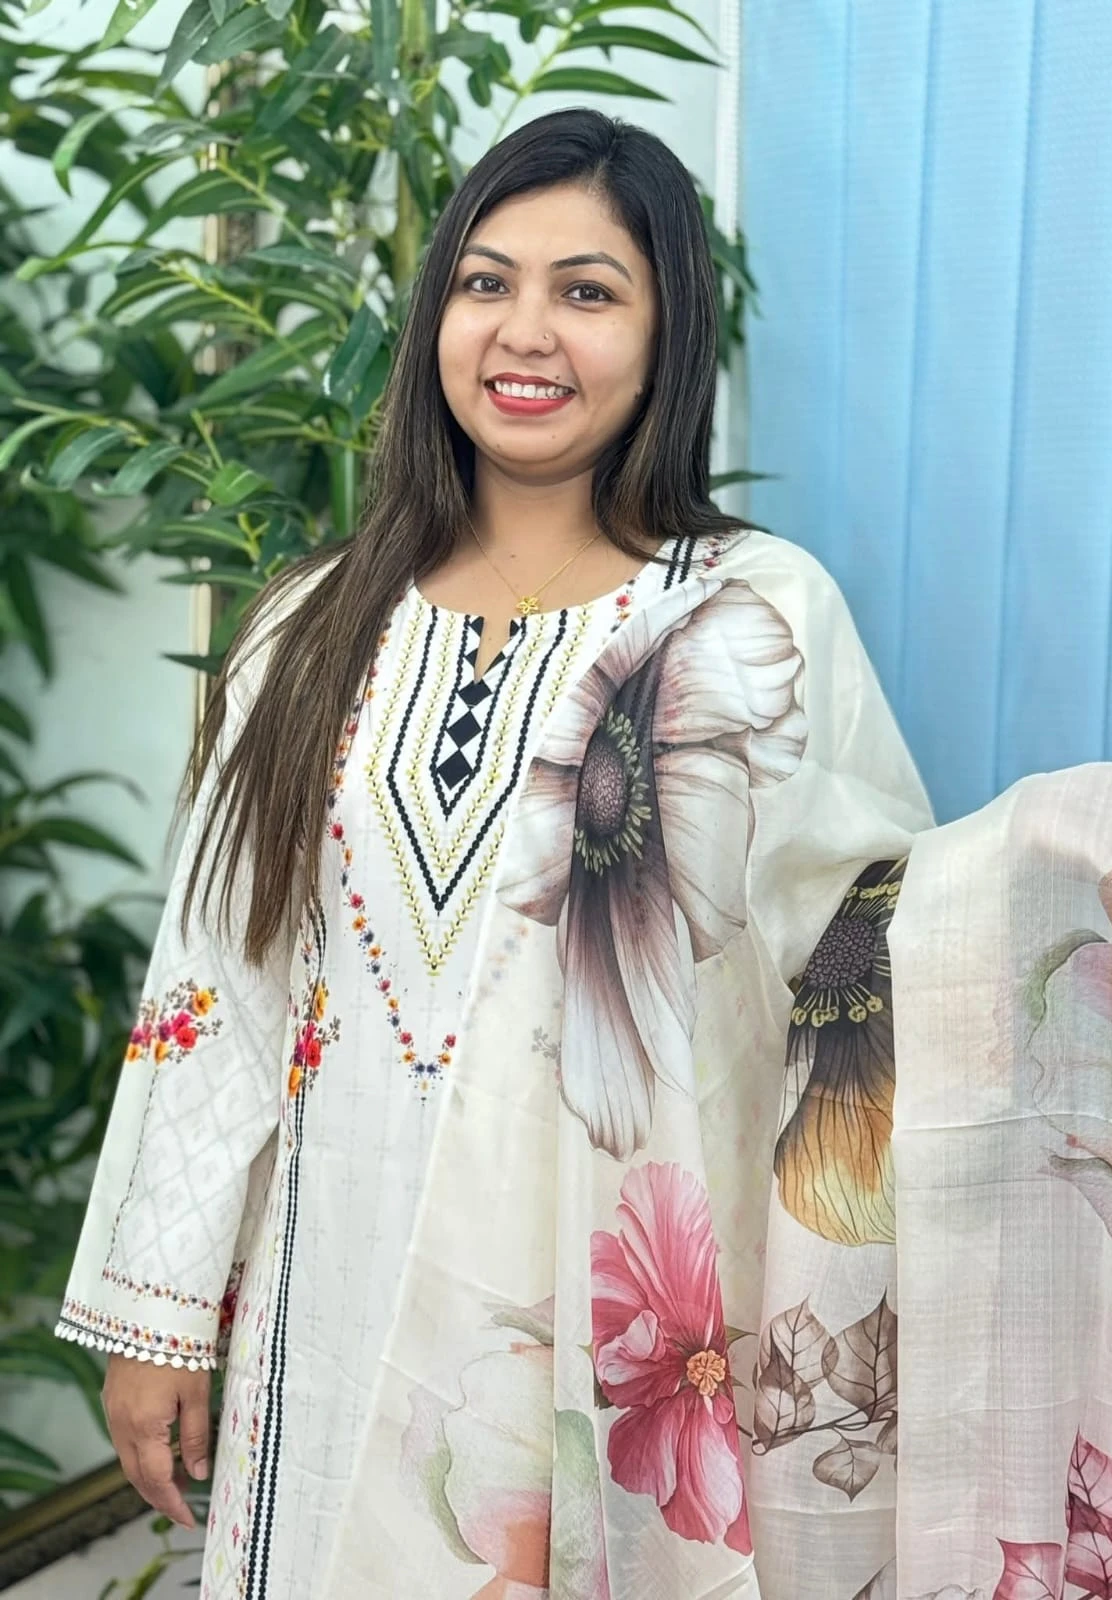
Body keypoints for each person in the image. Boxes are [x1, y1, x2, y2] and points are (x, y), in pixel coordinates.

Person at [57, 109, 932, 1599]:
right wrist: (160, 1313)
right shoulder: (308, 629)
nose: (526, 332)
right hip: (327, 1282)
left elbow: (875, 950)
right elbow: (221, 986)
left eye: (588, 291)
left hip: (609, 1311)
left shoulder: (749, 618)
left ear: (665, 338)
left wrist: (1111, 880)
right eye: (484, 283)